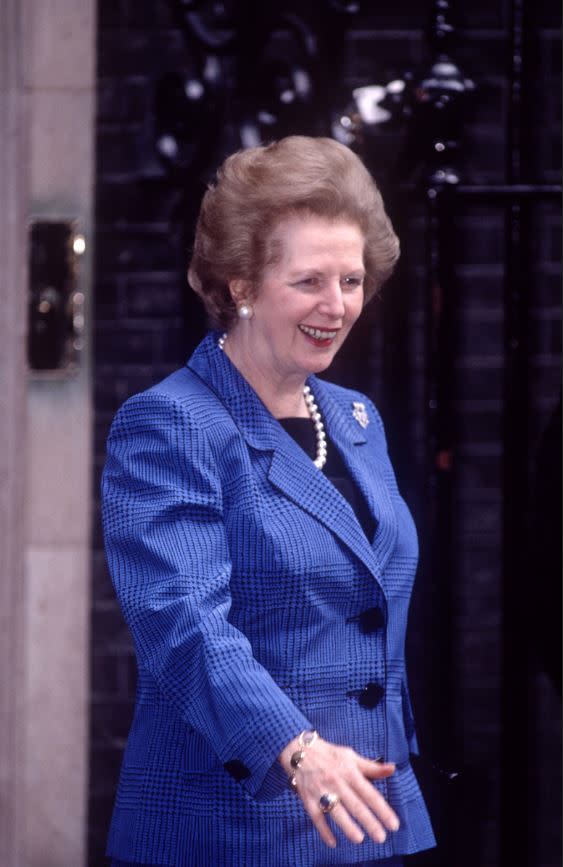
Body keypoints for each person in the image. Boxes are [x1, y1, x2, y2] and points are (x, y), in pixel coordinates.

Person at [102, 136, 435, 867]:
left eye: (351, 280)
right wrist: (297, 751)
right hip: (231, 822)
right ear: (241, 283)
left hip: (371, 814)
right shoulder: (171, 422)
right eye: (308, 280)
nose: (336, 305)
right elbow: (183, 624)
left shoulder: (354, 418)